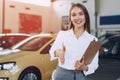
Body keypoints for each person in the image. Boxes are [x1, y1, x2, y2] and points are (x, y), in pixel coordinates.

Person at [49, 3, 99, 80]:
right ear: (70, 18)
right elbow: (52, 51)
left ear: (86, 16)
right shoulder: (62, 34)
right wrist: (58, 52)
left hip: (80, 76)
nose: (77, 18)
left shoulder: (93, 40)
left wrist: (83, 67)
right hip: (61, 75)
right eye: (74, 15)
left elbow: (94, 65)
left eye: (81, 14)